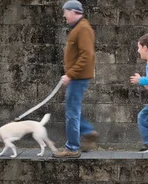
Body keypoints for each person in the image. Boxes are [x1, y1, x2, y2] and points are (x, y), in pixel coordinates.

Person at [53, 0, 98, 158]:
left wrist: (70, 74)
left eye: (65, 12)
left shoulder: (83, 28)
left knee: (72, 112)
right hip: (77, 77)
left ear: (73, 12)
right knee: (73, 110)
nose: (64, 16)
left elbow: (87, 55)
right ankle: (87, 131)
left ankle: (72, 148)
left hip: (78, 77)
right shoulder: (79, 28)